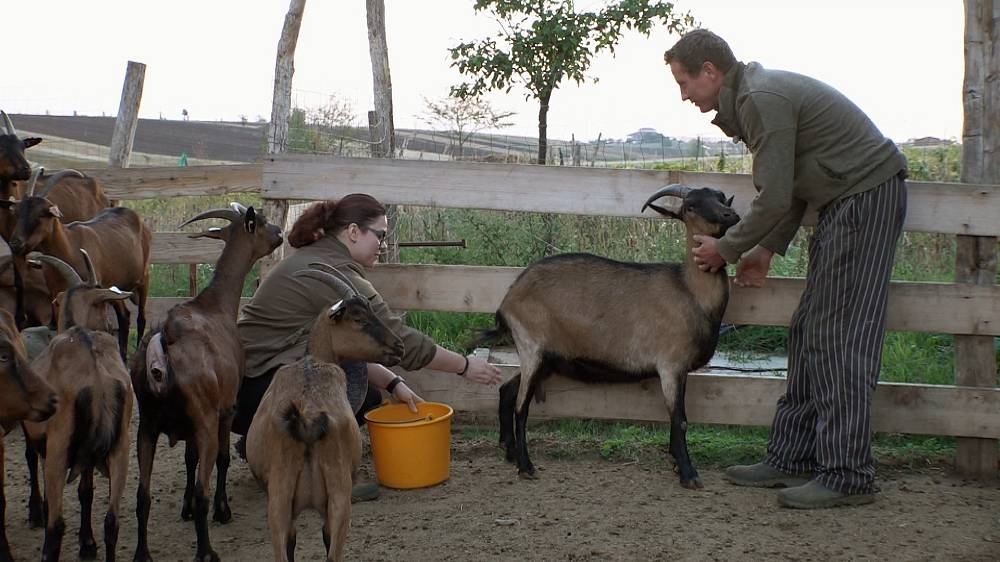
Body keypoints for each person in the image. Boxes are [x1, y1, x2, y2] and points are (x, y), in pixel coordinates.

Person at [664, 29, 907, 509]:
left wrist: (727, 249)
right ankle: (793, 456)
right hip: (845, 202)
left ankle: (847, 472)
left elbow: (774, 195)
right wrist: (767, 248)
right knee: (809, 329)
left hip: (863, 199)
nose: (684, 95)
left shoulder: (760, 98)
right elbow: (793, 185)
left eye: (684, 82)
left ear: (710, 72)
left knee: (840, 335)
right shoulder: (756, 97)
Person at [234, 193, 502, 501]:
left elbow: (344, 346)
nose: (384, 245)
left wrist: (394, 382)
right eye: (381, 235)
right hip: (255, 389)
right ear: (352, 232)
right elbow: (396, 336)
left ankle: (268, 443)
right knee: (354, 388)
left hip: (251, 384)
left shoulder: (321, 258)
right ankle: (316, 472)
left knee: (370, 395)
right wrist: (465, 366)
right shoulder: (333, 273)